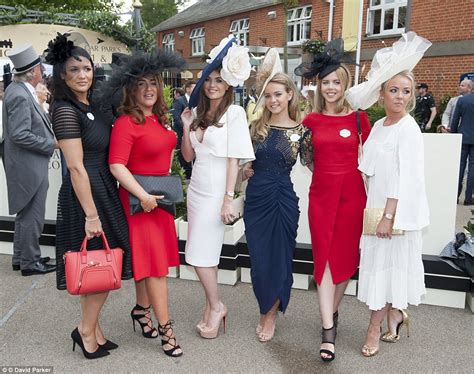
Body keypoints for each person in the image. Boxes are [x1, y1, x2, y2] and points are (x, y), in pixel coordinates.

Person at [45, 33, 133, 359]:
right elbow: (75, 167)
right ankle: (85, 331)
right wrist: (91, 216)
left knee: (100, 265)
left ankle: (92, 328)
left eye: (86, 68)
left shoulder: (91, 103)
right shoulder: (65, 110)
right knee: (97, 265)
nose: (82, 75)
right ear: (62, 76)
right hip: (86, 196)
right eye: (73, 70)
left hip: (103, 189)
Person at [346, 31, 431, 358]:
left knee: (386, 269)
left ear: (411, 97)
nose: (400, 96)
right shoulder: (380, 127)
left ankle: (374, 329)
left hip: (395, 215)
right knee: (384, 269)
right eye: (393, 90)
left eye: (406, 91)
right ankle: (396, 315)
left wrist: (388, 217)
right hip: (376, 210)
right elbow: (369, 170)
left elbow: (405, 178)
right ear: (382, 94)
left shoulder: (409, 129)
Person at [294, 39, 372, 362]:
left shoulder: (359, 120)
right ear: (318, 86)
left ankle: (332, 312)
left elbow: (372, 161)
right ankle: (328, 330)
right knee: (324, 260)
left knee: (344, 264)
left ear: (344, 85)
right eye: (325, 82)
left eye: (336, 82)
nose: (330, 88)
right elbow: (305, 158)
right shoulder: (310, 121)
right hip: (322, 196)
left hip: (353, 196)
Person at [108, 51, 185, 357]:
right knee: (154, 268)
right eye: (142, 84)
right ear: (132, 90)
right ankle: (167, 330)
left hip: (159, 198)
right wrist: (142, 195)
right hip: (139, 202)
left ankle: (142, 310)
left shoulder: (159, 119)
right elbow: (116, 165)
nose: (149, 88)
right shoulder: (126, 122)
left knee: (150, 262)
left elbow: (163, 159)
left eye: (153, 82)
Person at [180, 35, 254, 339]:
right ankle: (213, 305)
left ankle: (216, 305)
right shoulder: (197, 114)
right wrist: (186, 126)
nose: (212, 85)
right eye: (208, 79)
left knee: (199, 255)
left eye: (218, 80)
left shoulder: (233, 114)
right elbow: (187, 157)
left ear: (228, 85)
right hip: (196, 189)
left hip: (215, 192)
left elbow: (233, 162)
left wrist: (227, 199)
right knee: (199, 253)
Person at [243, 49, 312, 342]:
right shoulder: (255, 128)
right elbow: (242, 163)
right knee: (259, 259)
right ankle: (264, 306)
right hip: (256, 199)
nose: (273, 100)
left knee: (280, 258)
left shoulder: (301, 131)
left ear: (289, 95)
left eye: (278, 94)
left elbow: (315, 165)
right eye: (268, 95)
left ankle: (270, 314)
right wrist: (244, 169)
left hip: (283, 199)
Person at [2, 44, 56, 276]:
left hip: (27, 163)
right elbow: (19, 134)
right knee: (32, 215)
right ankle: (30, 262)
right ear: (33, 71)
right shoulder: (19, 94)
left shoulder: (18, 90)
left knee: (26, 214)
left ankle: (21, 257)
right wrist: (51, 144)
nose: (43, 72)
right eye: (40, 68)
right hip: (27, 164)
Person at [451, 80, 474, 205]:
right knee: (473, 167)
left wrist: (454, 135)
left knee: (459, 166)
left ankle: (455, 196)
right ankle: (468, 198)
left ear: (470, 88)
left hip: (463, 137)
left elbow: (455, 119)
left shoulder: (462, 100)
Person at [173, 81, 195, 179]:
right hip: (182, 132)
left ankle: (192, 173)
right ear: (188, 89)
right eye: (194, 88)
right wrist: (186, 127)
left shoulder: (196, 100)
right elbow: (176, 118)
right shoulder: (180, 101)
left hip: (193, 133)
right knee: (183, 155)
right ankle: (186, 175)